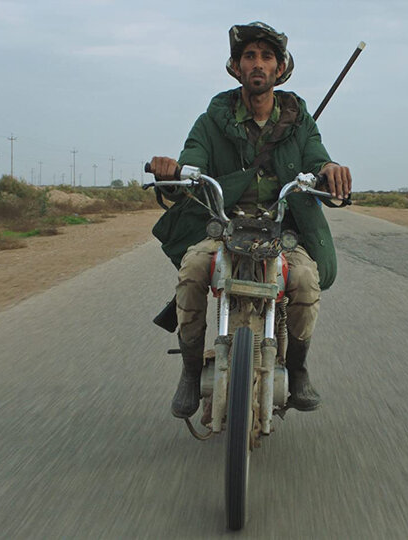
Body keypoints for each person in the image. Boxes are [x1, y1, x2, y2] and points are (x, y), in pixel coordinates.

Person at [149, 21, 352, 419]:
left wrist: (330, 170)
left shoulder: (299, 121)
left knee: (305, 279)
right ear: (236, 66)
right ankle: (190, 372)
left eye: (267, 56)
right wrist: (172, 173)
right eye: (249, 56)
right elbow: (192, 162)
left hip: (282, 228)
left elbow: (317, 157)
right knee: (192, 271)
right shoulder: (211, 120)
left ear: (280, 68)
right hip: (225, 225)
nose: (258, 63)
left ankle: (298, 368)